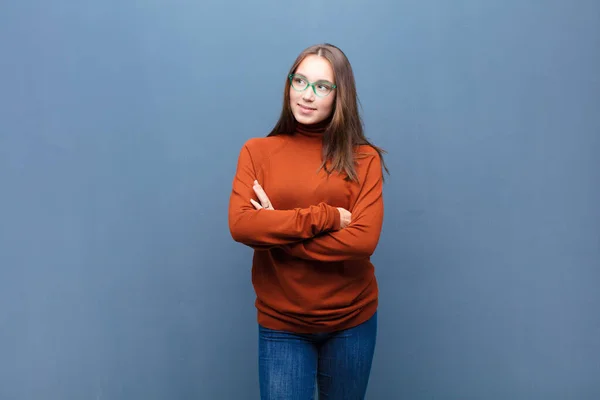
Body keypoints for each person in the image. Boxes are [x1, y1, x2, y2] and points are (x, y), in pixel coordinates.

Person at [228, 43, 387, 400]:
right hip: (282, 324)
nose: (306, 95)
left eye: (321, 86)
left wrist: (273, 228)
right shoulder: (257, 152)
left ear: (339, 94)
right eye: (299, 81)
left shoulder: (365, 159)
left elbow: (362, 242)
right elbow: (241, 225)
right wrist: (326, 217)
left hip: (352, 321)